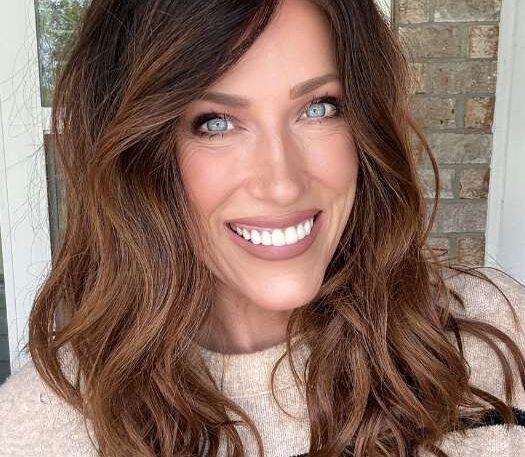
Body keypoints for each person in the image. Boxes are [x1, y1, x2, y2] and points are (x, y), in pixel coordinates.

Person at [1, 1, 524, 456]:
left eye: (318, 108)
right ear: (141, 157)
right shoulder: (37, 429)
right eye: (216, 122)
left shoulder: (502, 338)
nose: (282, 184)